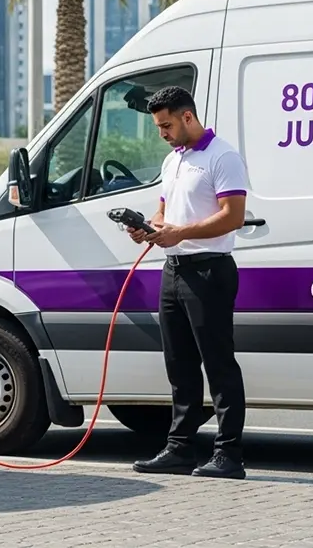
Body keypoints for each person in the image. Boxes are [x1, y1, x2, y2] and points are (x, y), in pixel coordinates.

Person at [126, 85, 250, 480]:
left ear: (187, 117)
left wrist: (181, 233)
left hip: (210, 271)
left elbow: (233, 216)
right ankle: (180, 448)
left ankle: (228, 455)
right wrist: (148, 228)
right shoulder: (172, 161)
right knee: (179, 364)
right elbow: (164, 214)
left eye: (165, 125)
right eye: (157, 126)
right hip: (173, 271)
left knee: (218, 363)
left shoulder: (222, 156)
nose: (162, 133)